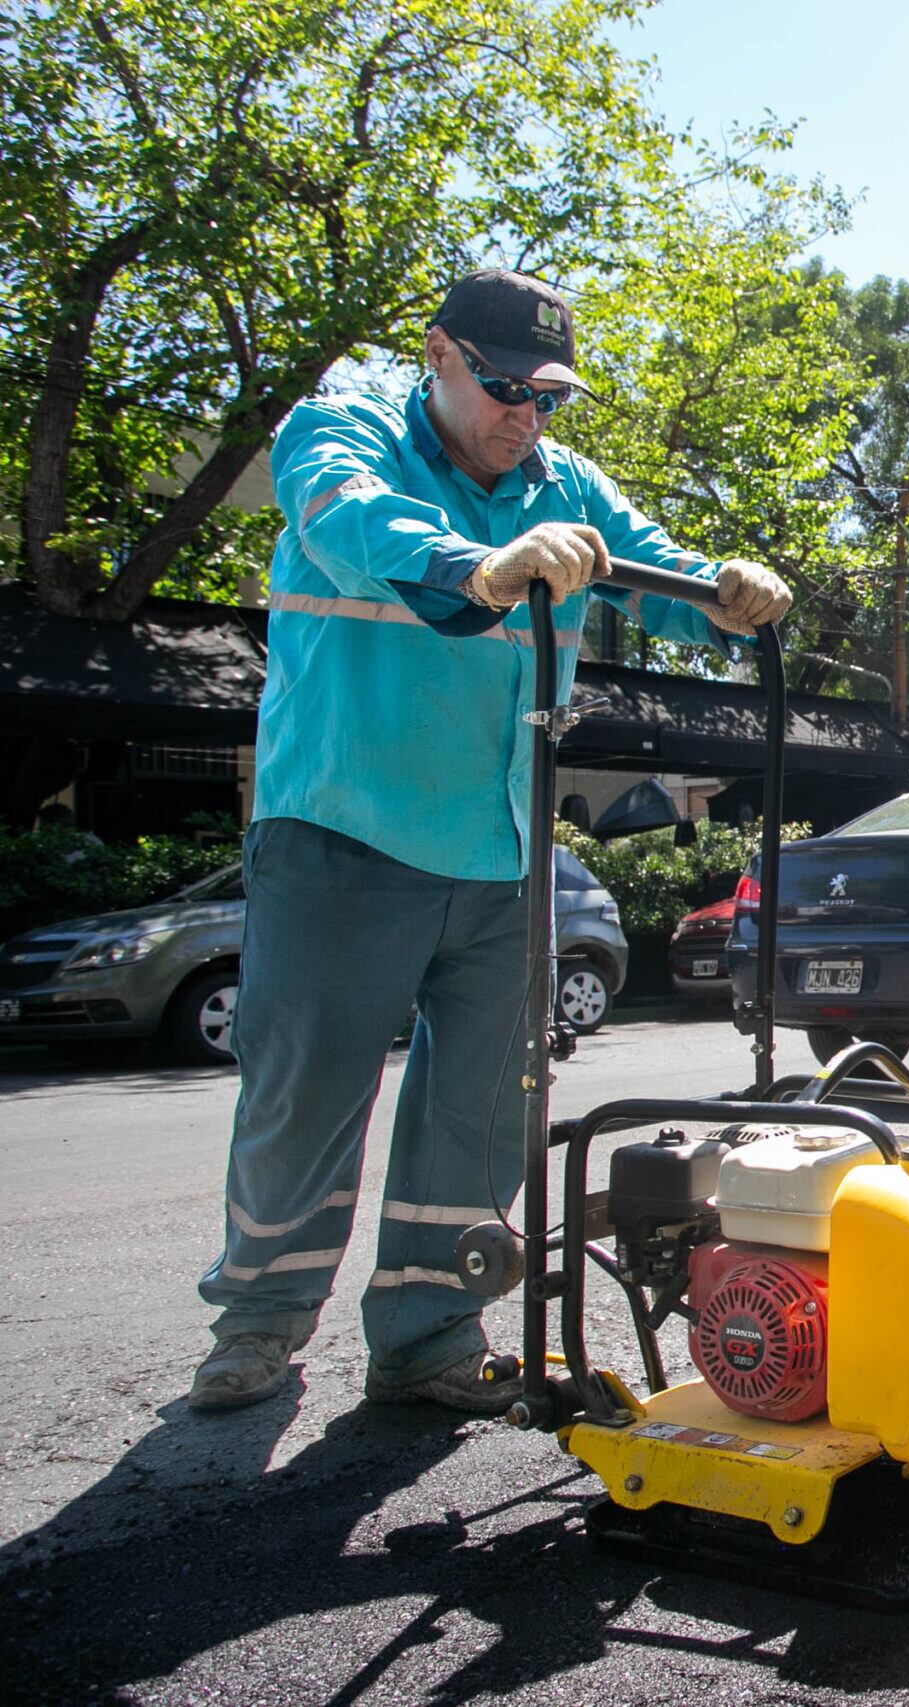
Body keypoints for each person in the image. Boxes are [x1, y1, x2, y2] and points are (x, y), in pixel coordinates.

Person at [189, 269, 792, 1415]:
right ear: (442, 356)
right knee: (305, 1092)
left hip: (503, 846)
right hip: (343, 830)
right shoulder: (344, 428)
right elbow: (347, 517)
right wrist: (475, 566)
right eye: (508, 388)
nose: (528, 417)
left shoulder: (562, 481)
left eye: (548, 397)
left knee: (478, 1105)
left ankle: (429, 1335)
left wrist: (723, 592)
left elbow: (651, 566)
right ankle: (259, 1326)